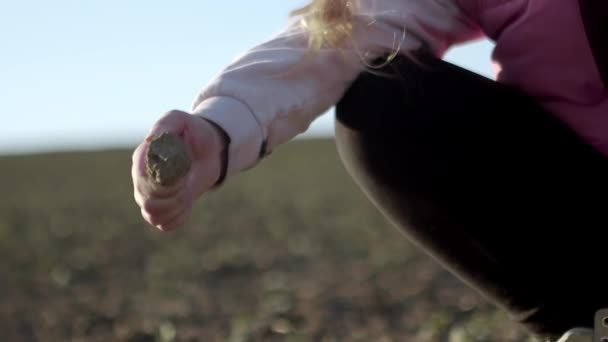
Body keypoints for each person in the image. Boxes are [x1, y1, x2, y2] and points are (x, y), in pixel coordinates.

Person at [131, 0, 608, 340]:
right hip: (583, 206)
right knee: (384, 98)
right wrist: (220, 127)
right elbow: (348, 29)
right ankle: (584, 320)